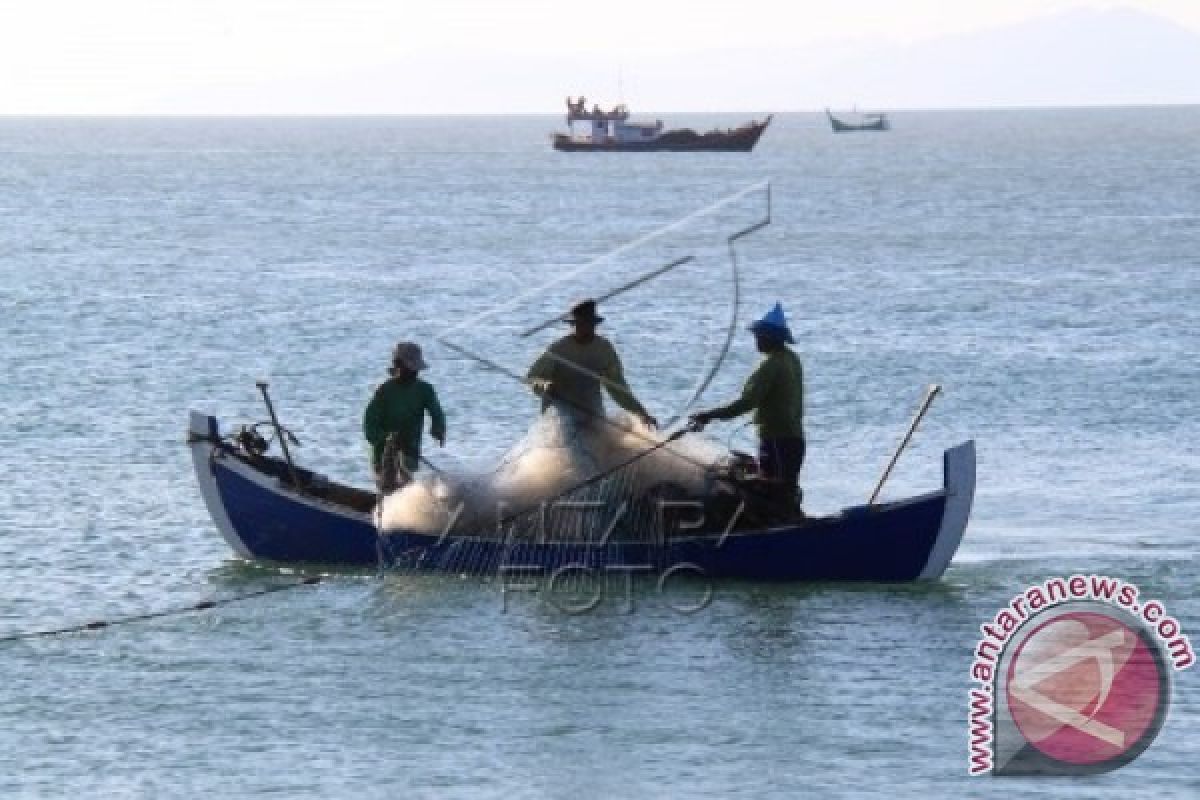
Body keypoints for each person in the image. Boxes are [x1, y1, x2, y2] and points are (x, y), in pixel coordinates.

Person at [690, 303, 805, 512]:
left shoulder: (770, 364)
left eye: (759, 336)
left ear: (771, 338)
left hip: (776, 441)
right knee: (785, 492)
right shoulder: (792, 359)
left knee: (772, 492)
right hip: (795, 439)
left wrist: (709, 415)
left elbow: (746, 402)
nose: (757, 341)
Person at [526, 299, 657, 429]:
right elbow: (531, 377)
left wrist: (641, 412)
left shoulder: (604, 349)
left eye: (589, 324)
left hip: (593, 414)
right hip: (559, 418)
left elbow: (617, 387)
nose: (585, 328)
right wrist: (544, 386)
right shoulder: (557, 349)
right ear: (573, 325)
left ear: (594, 324)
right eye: (580, 324)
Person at [363, 341, 446, 487]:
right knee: (388, 490)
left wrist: (438, 429)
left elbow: (436, 412)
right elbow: (369, 426)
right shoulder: (384, 391)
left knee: (405, 488)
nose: (414, 372)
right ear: (398, 365)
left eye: (416, 370)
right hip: (383, 457)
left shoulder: (425, 390)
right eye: (410, 369)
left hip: (410, 453)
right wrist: (388, 439)